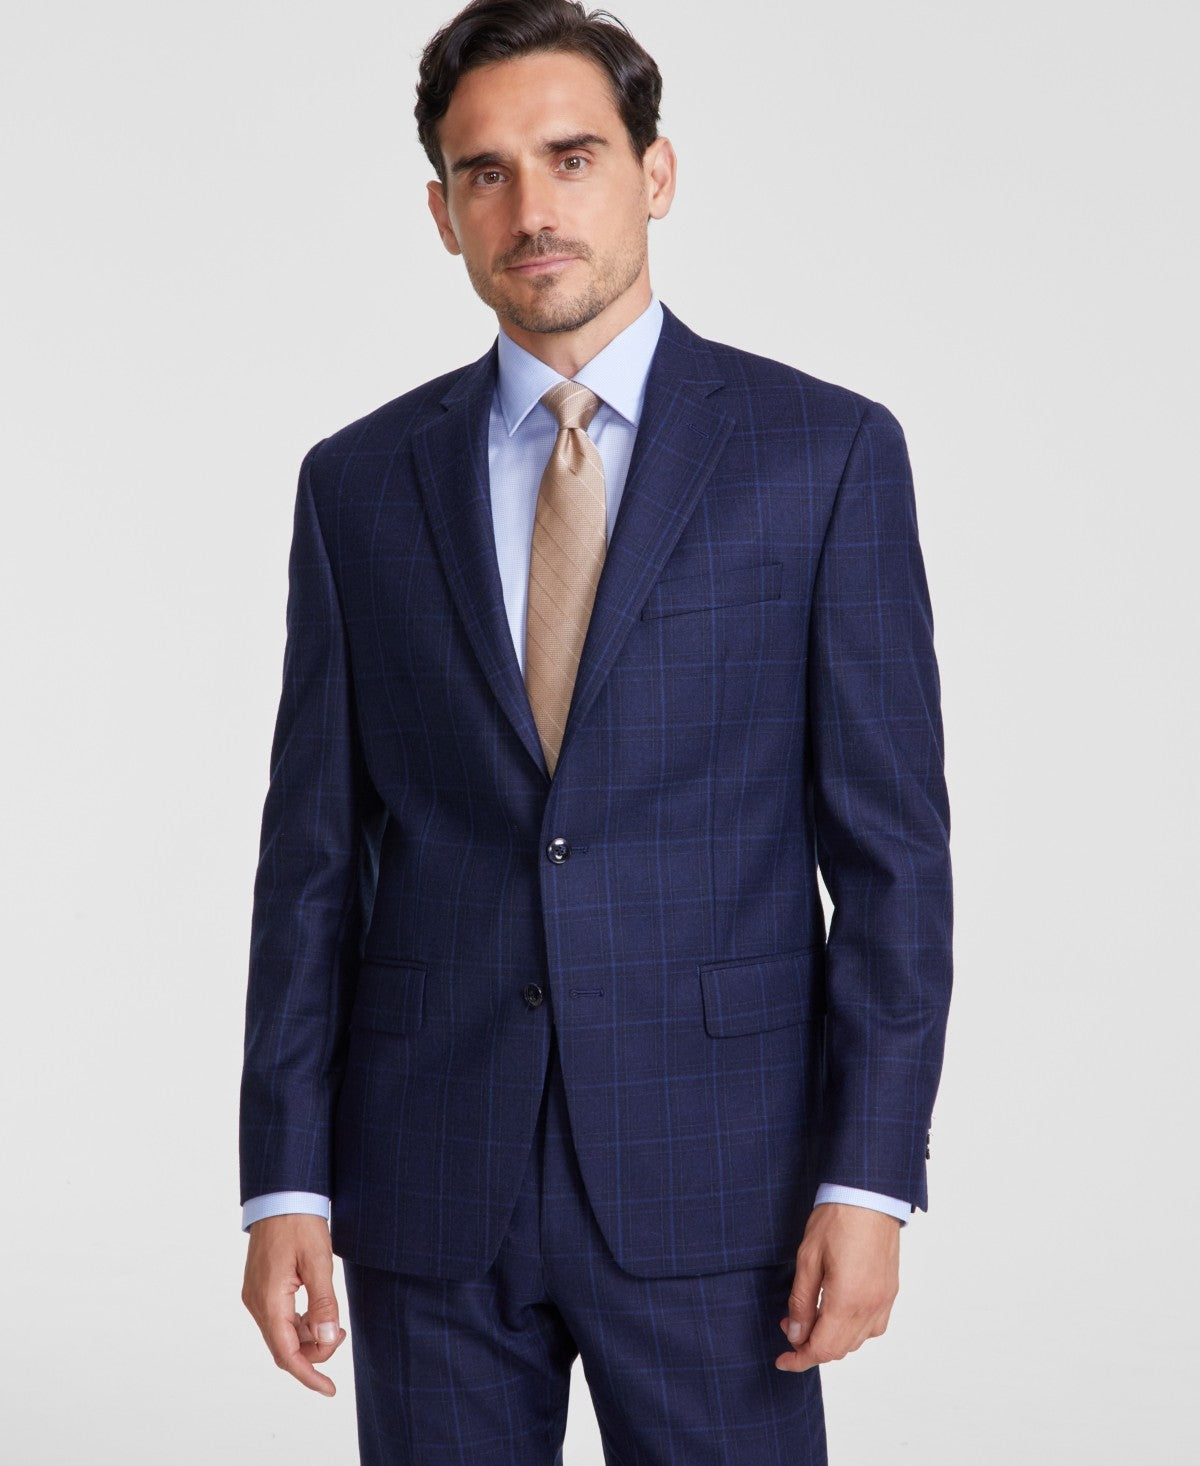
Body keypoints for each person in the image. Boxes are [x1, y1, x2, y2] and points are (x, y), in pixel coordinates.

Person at [238, 2, 953, 1460]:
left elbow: (894, 863)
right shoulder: (358, 484)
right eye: (485, 172)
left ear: (655, 172)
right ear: (442, 213)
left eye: (572, 157)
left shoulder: (823, 455)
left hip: (724, 1178)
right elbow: (310, 865)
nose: (532, 208)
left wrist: (868, 1178)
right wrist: (285, 1181)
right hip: (429, 1179)